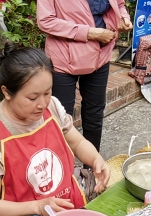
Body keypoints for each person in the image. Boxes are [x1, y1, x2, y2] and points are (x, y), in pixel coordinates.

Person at [0, 45, 111, 216]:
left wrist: (96, 160)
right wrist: (38, 206)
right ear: (7, 92)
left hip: (65, 194)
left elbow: (77, 142)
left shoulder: (51, 107)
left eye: (48, 92)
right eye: (33, 98)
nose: (42, 104)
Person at [37, 0, 132, 152]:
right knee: (61, 118)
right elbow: (45, 21)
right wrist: (90, 33)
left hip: (101, 56)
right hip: (63, 58)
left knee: (94, 114)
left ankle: (91, 170)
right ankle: (61, 170)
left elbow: (119, 5)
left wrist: (124, 18)